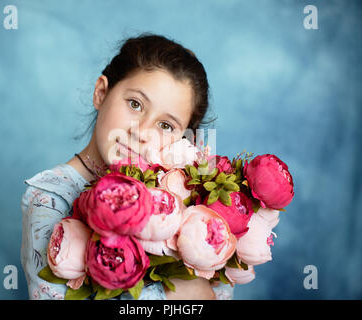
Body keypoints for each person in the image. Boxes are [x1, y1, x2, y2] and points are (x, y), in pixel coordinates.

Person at [20, 32, 234, 300]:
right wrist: (178, 294)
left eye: (165, 125)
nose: (142, 132)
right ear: (101, 93)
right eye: (135, 104)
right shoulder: (50, 198)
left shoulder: (177, 201)